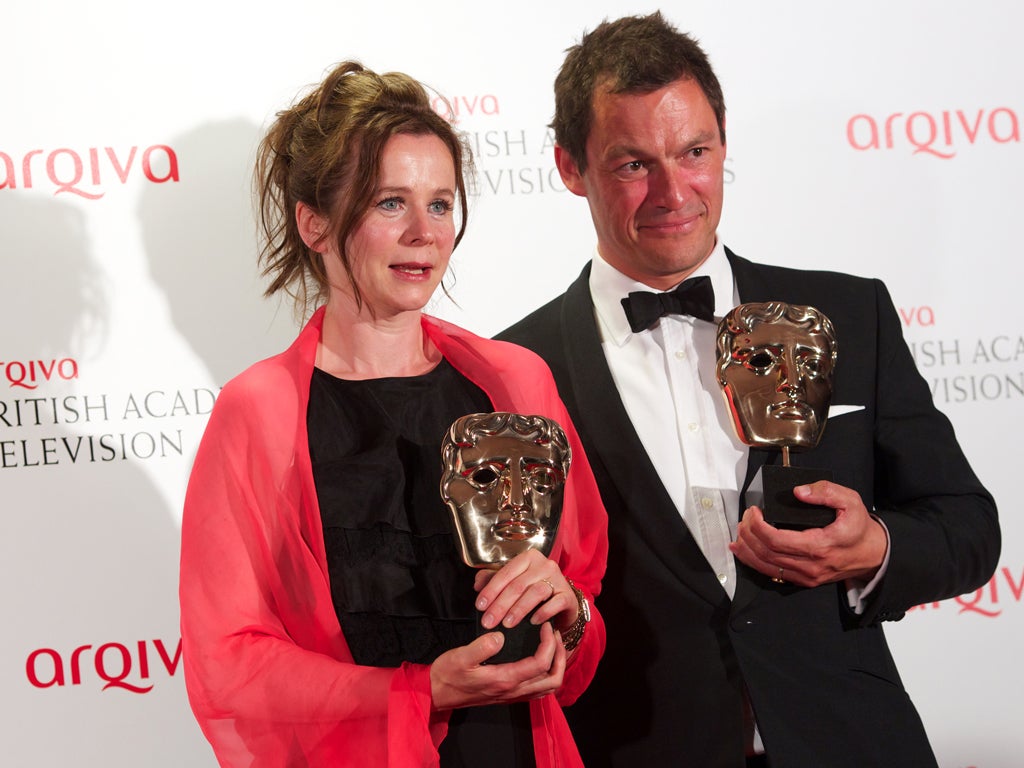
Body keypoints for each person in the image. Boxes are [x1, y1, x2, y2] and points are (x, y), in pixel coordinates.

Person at [499, 12, 999, 768]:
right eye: (633, 164)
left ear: (723, 143)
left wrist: (874, 549)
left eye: (693, 152)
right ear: (571, 168)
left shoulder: (849, 314)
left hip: (853, 743)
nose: (673, 192)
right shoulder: (512, 369)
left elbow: (968, 528)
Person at [179, 61, 607, 768]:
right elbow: (231, 665)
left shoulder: (516, 383)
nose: (423, 233)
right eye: (389, 203)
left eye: (440, 204)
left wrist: (572, 609)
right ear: (314, 224)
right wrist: (417, 693)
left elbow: (583, 602)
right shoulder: (258, 412)